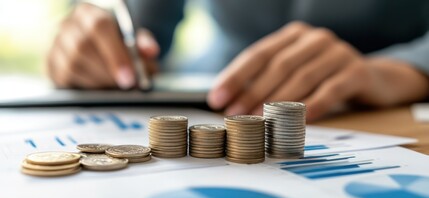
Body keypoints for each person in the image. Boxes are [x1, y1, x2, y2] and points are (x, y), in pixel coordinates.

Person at [47, 0, 429, 121]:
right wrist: (97, 51)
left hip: (381, 98)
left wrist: (406, 68)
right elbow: (143, 26)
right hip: (220, 87)